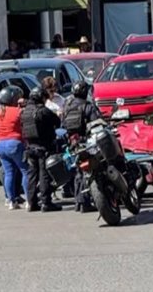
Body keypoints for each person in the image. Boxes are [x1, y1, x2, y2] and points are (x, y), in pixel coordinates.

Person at [61, 80, 102, 212]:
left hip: (72, 143)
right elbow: (97, 123)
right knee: (89, 170)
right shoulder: (88, 106)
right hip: (86, 141)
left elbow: (62, 125)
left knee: (79, 171)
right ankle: (85, 202)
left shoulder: (67, 106)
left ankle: (79, 201)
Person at [21, 86, 63, 212]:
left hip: (30, 147)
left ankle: (32, 202)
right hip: (43, 147)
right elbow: (57, 122)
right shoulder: (43, 111)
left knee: (32, 175)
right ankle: (46, 202)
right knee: (44, 175)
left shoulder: (25, 111)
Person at [0, 86, 30, 210]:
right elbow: (24, 128)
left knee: (9, 173)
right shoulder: (18, 111)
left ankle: (11, 201)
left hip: (1, 145)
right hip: (15, 143)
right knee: (25, 171)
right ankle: (29, 200)